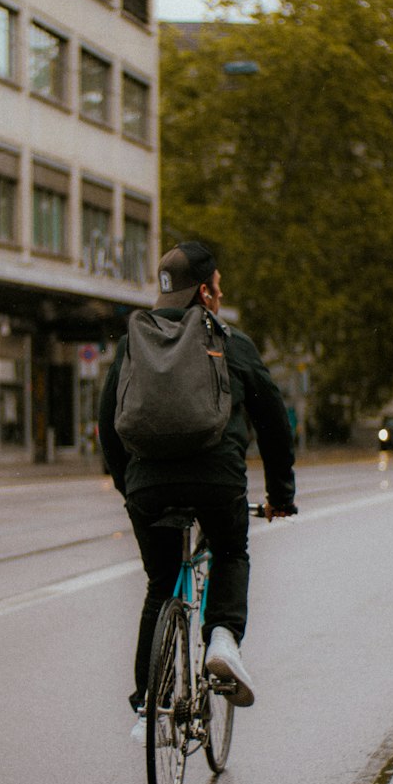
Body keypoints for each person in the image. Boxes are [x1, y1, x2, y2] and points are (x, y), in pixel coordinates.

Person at [98, 240, 296, 718]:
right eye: (219, 289)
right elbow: (273, 423)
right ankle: (223, 639)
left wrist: (132, 490)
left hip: (148, 486)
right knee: (230, 551)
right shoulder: (231, 341)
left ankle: (149, 705)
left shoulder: (132, 345)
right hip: (217, 481)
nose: (221, 298)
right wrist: (279, 496)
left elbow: (108, 425)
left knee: (161, 584)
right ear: (205, 294)